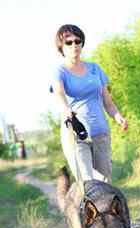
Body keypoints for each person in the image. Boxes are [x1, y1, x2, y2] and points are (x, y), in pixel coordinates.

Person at [51, 24, 128, 184]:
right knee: (87, 183)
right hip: (76, 134)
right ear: (61, 47)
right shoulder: (60, 71)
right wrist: (66, 110)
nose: (74, 45)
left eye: (77, 41)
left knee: (105, 183)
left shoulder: (95, 69)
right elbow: (58, 93)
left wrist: (118, 116)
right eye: (69, 42)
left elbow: (108, 102)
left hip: (101, 132)